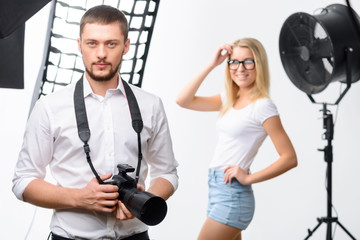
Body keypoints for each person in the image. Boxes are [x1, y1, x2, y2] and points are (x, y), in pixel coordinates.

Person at [12, 5, 178, 240]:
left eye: (111, 43)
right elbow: (23, 181)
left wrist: (144, 201)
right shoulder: (49, 107)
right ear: (80, 45)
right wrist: (79, 198)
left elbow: (168, 173)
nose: (101, 53)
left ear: (126, 46)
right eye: (92, 43)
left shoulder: (151, 104)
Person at [176, 38, 297, 240]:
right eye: (234, 62)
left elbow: (289, 158)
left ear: (259, 65)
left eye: (248, 61)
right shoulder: (229, 99)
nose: (240, 68)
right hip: (217, 190)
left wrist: (248, 178)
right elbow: (183, 100)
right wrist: (212, 64)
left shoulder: (263, 106)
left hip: (232, 196)